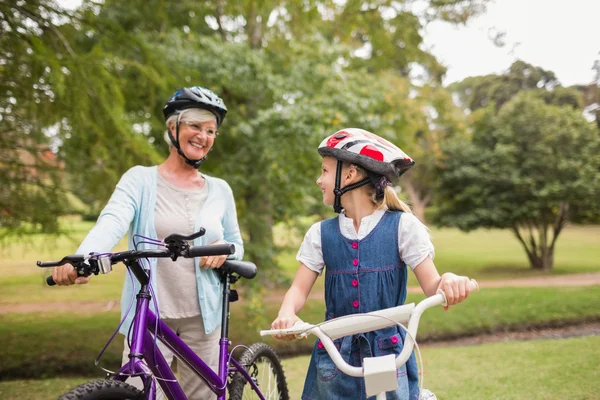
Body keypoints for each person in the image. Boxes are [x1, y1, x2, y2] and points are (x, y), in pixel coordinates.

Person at [51, 86, 244, 399]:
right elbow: (112, 220)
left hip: (204, 320)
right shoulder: (139, 180)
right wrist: (81, 258)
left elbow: (236, 242)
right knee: (137, 391)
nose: (203, 136)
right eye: (195, 126)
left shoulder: (220, 189)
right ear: (173, 127)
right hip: (149, 315)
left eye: (211, 130)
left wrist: (224, 250)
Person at [271, 128, 476, 400]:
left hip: (386, 354)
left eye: (324, 170)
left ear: (350, 174)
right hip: (334, 355)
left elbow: (434, 286)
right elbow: (298, 289)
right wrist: (287, 313)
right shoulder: (320, 234)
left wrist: (449, 281)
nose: (318, 180)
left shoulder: (402, 227)